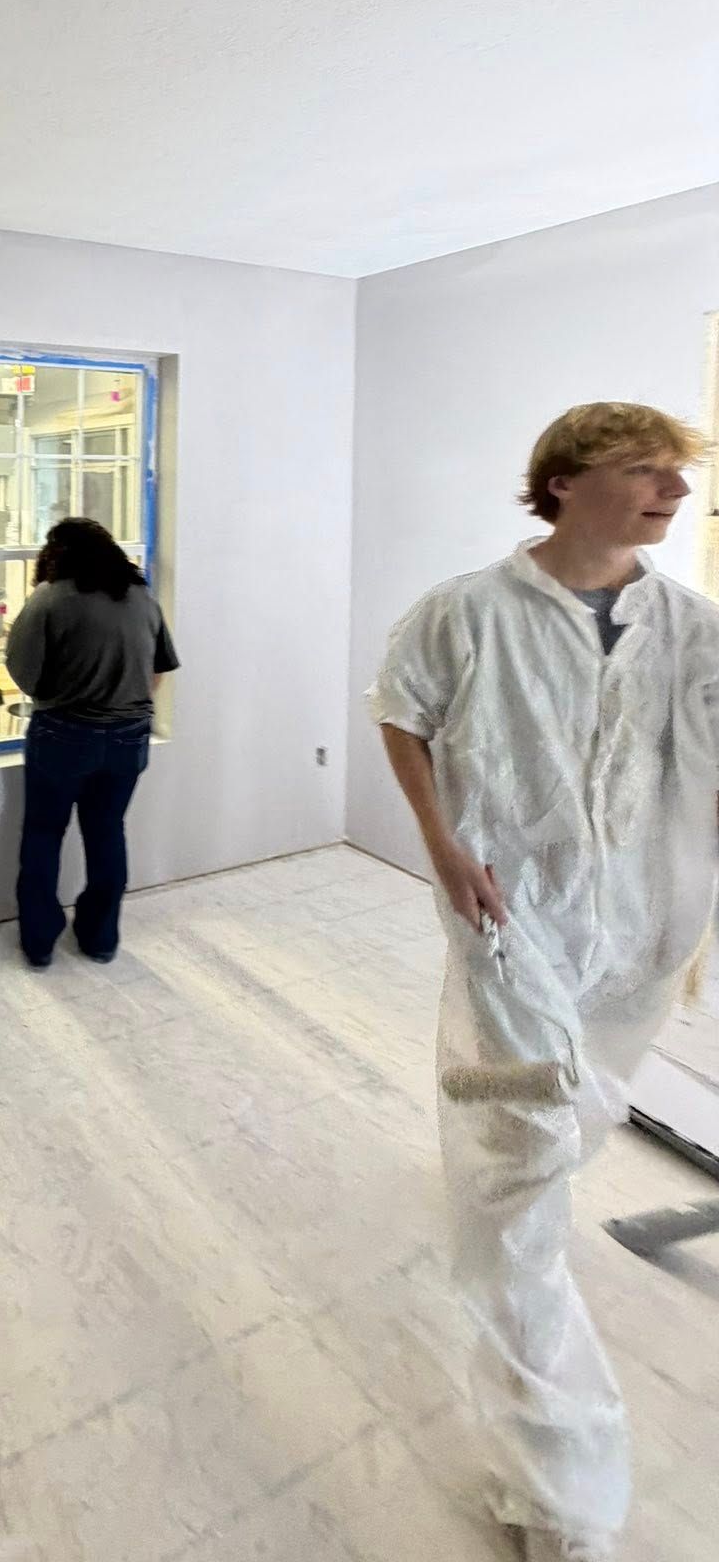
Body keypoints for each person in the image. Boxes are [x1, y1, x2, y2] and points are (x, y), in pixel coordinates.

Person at [369, 402, 719, 1562]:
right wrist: (443, 843)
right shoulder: (466, 612)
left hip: (643, 941)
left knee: (563, 1132)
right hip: (514, 929)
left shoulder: (690, 626)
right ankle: (563, 1493)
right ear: (564, 482)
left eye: (679, 475)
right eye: (644, 471)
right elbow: (401, 715)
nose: (672, 492)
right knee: (514, 1203)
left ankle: (515, 1167)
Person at [4, 517, 179, 967]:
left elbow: (24, 675)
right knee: (107, 834)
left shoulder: (48, 600)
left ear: (56, 554)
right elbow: (157, 673)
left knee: (44, 834)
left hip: (63, 736)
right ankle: (100, 938)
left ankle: (40, 944)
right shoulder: (142, 599)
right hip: (128, 740)